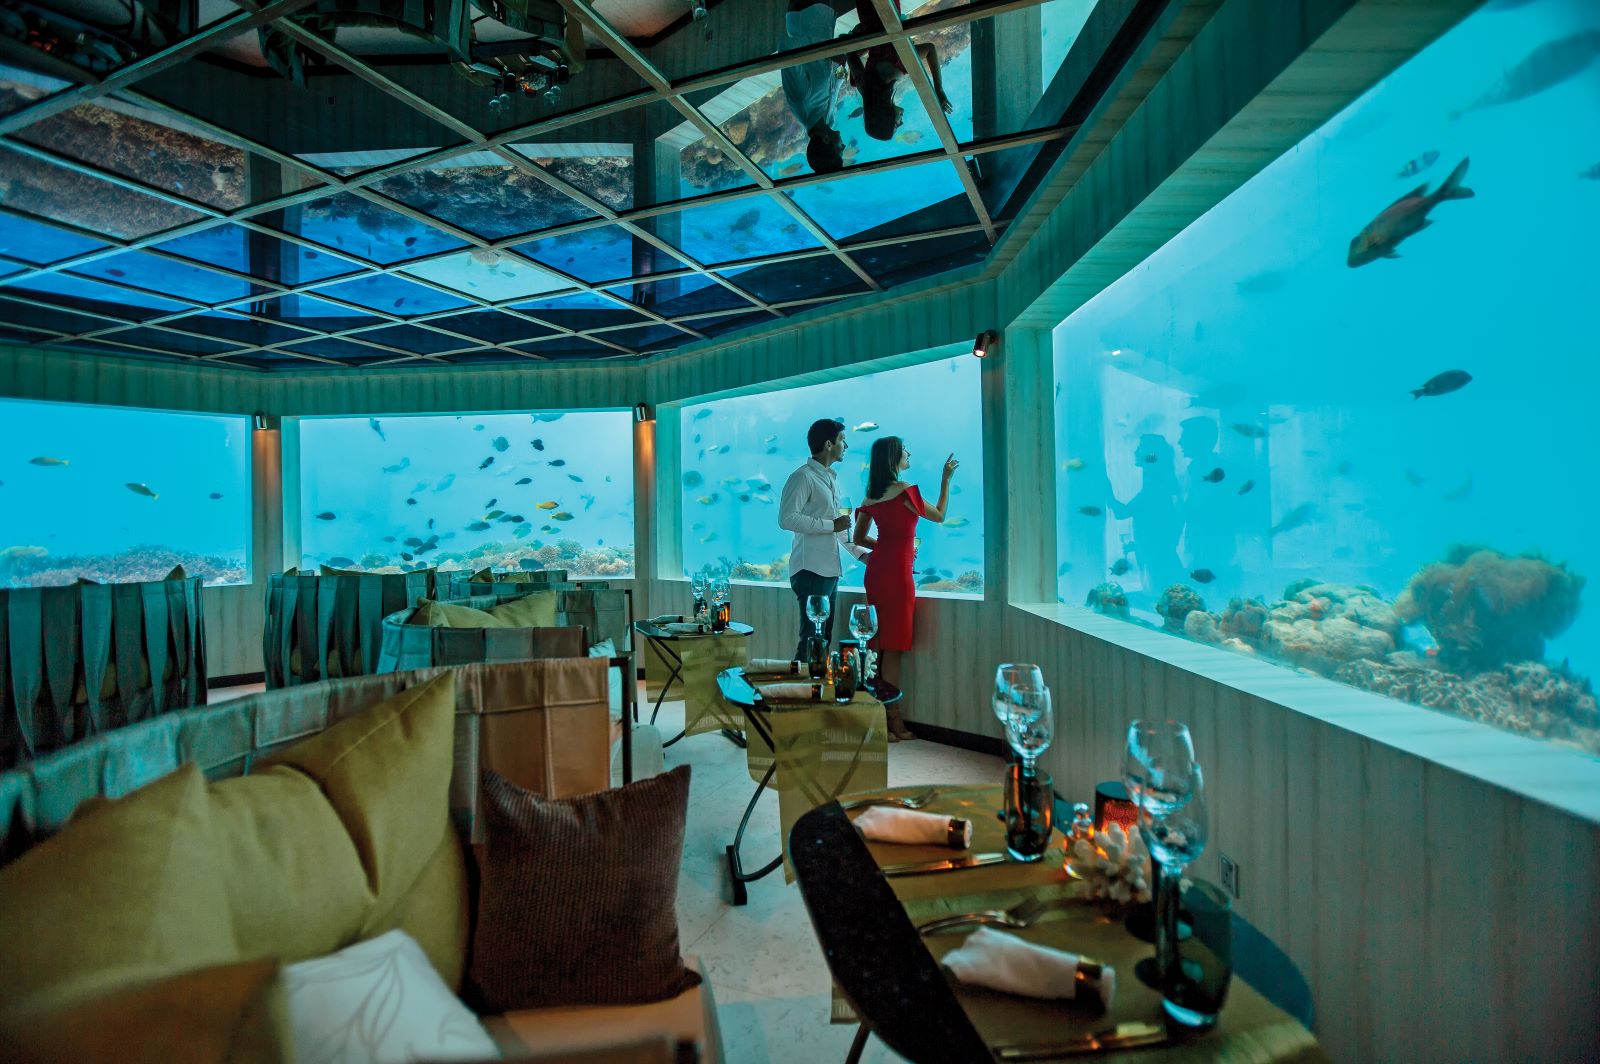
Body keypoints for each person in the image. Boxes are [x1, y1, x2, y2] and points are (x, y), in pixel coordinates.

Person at [853, 436, 958, 741]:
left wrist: (886, 548)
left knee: (876, 645)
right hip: (898, 576)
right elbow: (940, 515)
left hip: (876, 572)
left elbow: (858, 539)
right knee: (895, 647)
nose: (909, 453)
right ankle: (893, 720)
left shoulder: (870, 497)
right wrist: (945, 479)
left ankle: (877, 722)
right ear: (894, 457)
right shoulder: (905, 490)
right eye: (904, 450)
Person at [779, 418, 868, 661]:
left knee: (823, 639)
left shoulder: (831, 480)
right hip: (810, 570)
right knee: (812, 639)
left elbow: (839, 528)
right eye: (842, 440)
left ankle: (814, 683)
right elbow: (787, 519)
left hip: (829, 571)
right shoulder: (802, 477)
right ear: (829, 444)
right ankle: (798, 684)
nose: (846, 446)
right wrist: (831, 525)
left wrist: (862, 555)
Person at [846, 0, 953, 141]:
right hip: (867, 14)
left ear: (887, 118)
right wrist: (872, 39)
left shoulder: (896, 71)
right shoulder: (865, 88)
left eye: (896, 125)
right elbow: (850, 53)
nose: (901, 122)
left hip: (888, 12)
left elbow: (930, 49)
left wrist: (938, 89)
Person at [781, 0, 847, 174]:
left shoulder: (801, 100)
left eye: (840, 149)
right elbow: (834, 84)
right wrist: (839, 65)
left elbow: (786, 48)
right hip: (826, 17)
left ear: (826, 140)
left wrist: (825, 49)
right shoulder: (829, 119)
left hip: (806, 13)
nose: (844, 146)